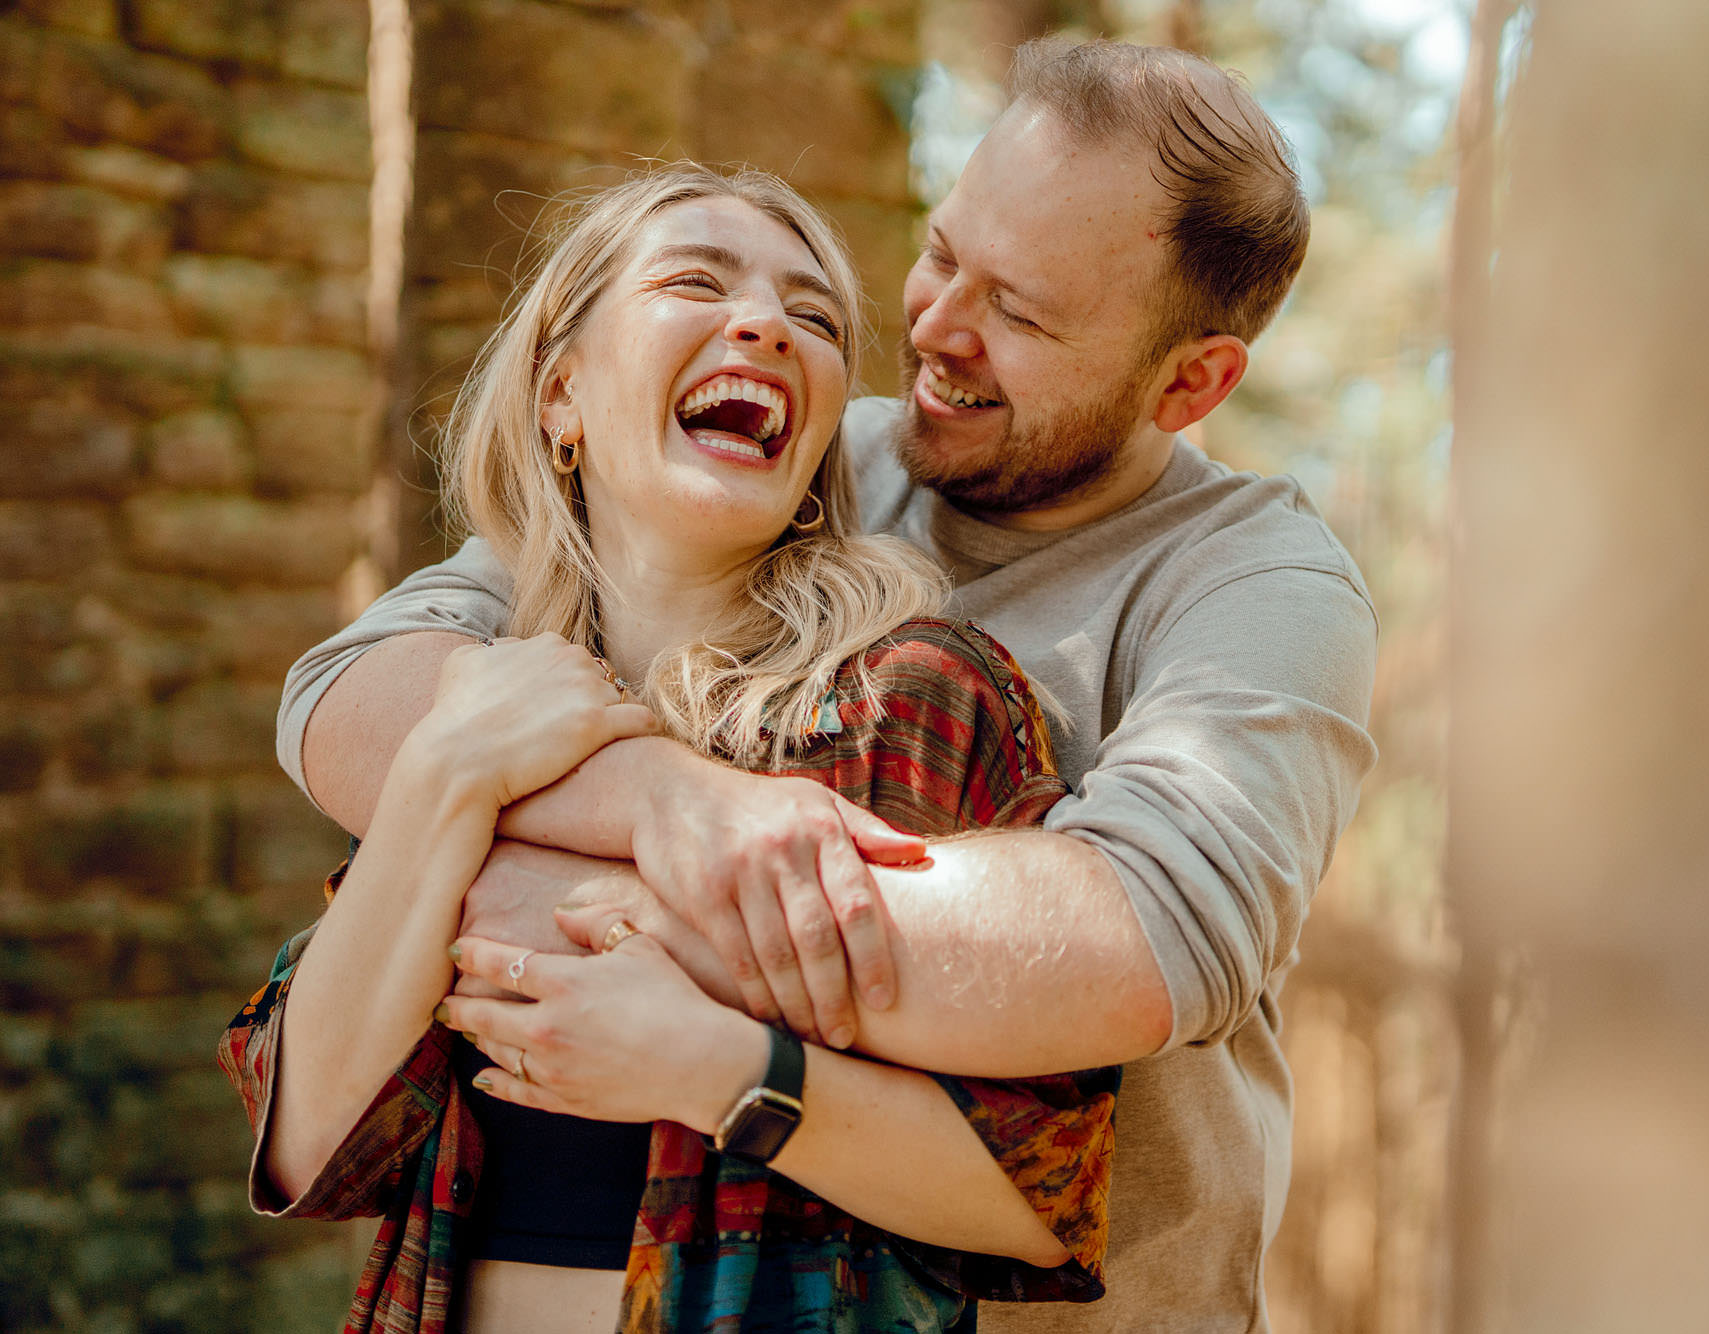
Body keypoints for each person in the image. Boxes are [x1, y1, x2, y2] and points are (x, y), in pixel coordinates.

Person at [277, 38, 1378, 1333]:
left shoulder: (1259, 587)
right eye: (939, 252)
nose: (935, 328)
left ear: (1191, 382)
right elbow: (361, 687)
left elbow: (1132, 951)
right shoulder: (813, 461)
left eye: (1019, 312)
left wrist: (510, 883)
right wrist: (675, 808)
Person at [220, 164, 1116, 1334]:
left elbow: (1041, 1195)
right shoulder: (476, 697)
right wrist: (447, 773)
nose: (761, 323)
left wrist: (720, 1067)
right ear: (561, 397)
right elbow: (307, 1145)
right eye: (693, 279)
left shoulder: (920, 696)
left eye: (814, 316)